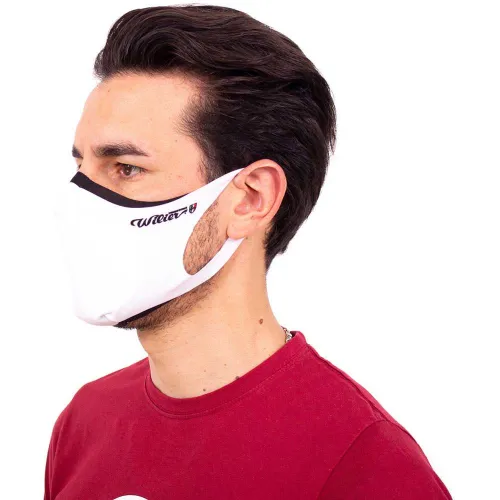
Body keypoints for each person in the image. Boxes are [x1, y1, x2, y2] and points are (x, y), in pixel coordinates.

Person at [44, 5, 452, 499]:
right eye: (82, 168)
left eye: (126, 168)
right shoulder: (85, 422)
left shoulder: (365, 465)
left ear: (251, 199)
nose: (79, 203)